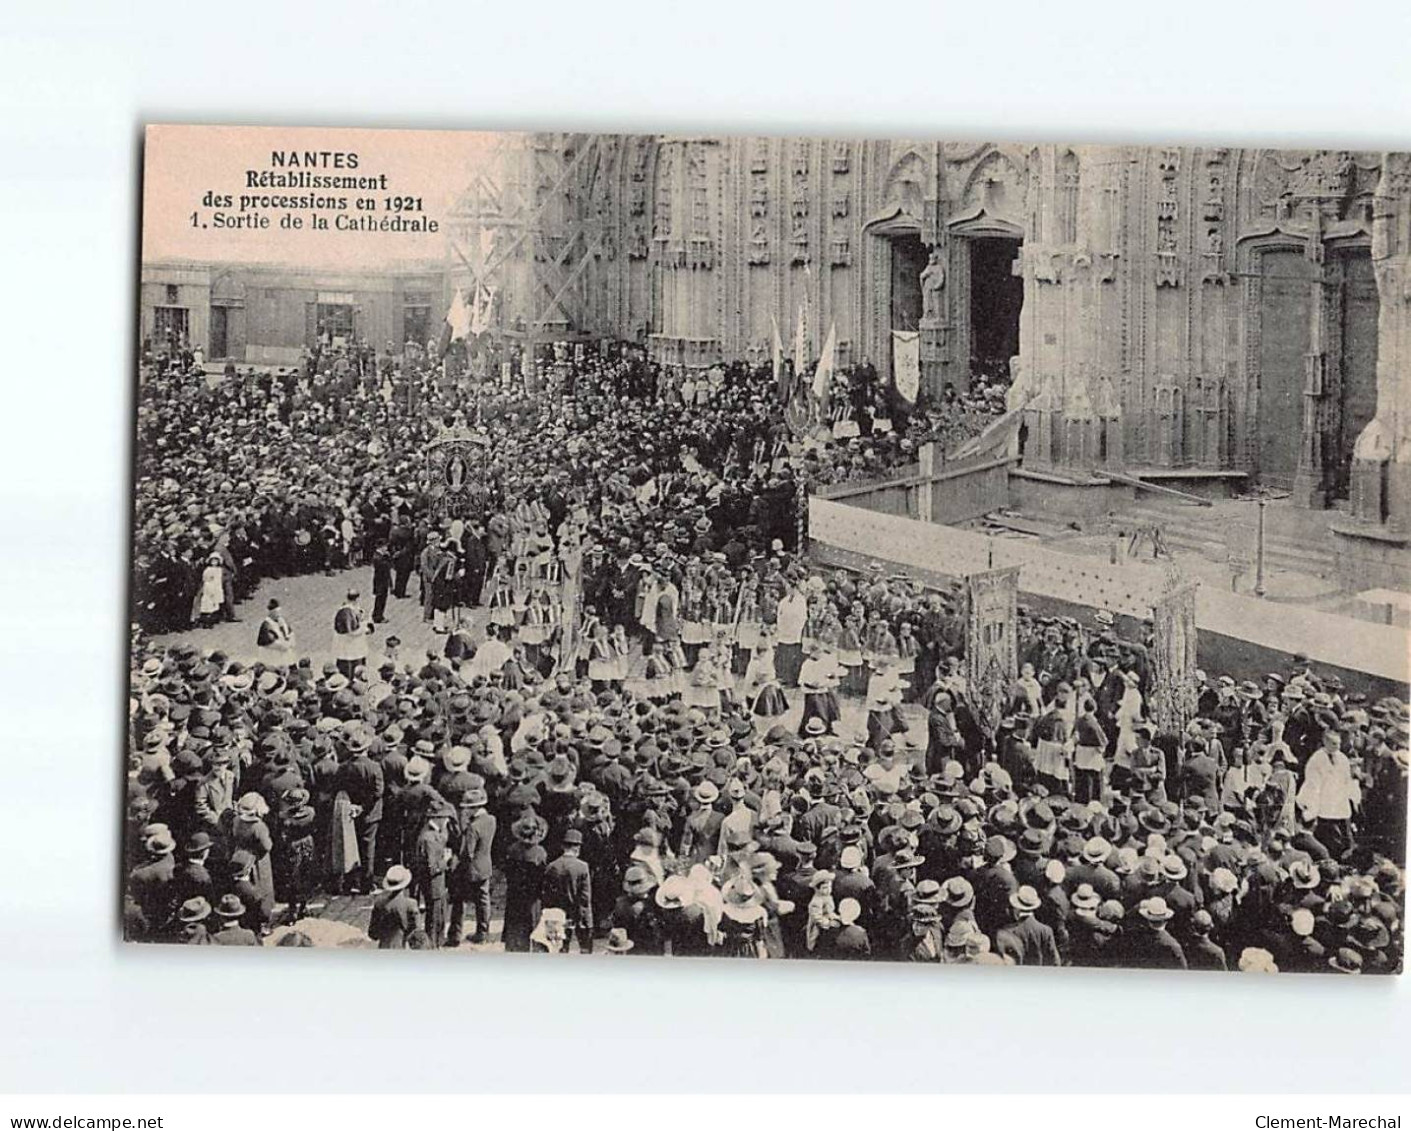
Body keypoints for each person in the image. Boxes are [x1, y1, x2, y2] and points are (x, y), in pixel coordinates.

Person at [332, 589, 371, 679]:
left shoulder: (350, 608)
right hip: (349, 645)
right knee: (351, 664)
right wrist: (364, 629)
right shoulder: (347, 611)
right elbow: (350, 631)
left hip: (352, 644)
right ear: (357, 599)